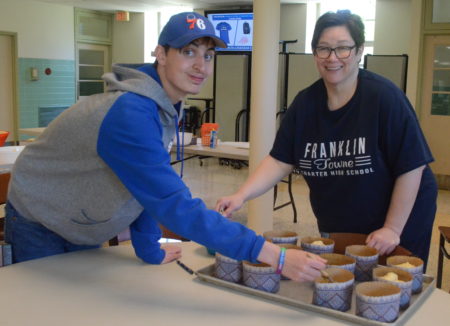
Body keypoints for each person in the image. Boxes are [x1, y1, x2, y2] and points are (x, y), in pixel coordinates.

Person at [4, 12, 326, 281]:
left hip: (79, 222)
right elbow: (174, 204)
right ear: (161, 55)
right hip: (40, 217)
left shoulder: (165, 106)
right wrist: (275, 256)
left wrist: (149, 249)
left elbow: (141, 190)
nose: (201, 65)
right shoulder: (130, 113)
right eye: (189, 52)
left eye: (208, 55)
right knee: (44, 308)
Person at [216, 10, 437, 265]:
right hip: (342, 217)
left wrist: (393, 228)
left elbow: (412, 166)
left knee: (389, 288)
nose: (333, 58)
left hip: (400, 216)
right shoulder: (305, 104)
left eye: (343, 48)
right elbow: (279, 161)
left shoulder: (384, 98)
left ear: (359, 51)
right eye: (324, 49)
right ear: (314, 53)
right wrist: (241, 195)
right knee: (342, 283)